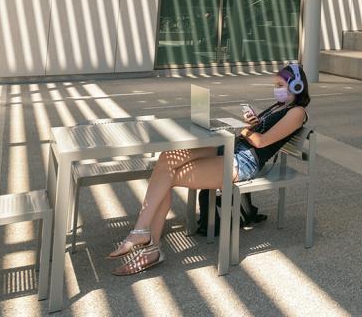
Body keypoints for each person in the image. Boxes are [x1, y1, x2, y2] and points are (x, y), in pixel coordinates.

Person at [107, 64, 310, 275]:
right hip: (230, 148)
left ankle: (149, 246)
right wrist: (250, 125)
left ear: (296, 86)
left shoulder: (297, 112)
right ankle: (142, 233)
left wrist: (244, 130)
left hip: (244, 161)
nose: (276, 89)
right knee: (167, 158)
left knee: (168, 176)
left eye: (280, 85)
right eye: (275, 85)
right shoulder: (279, 107)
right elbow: (256, 133)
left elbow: (262, 142)